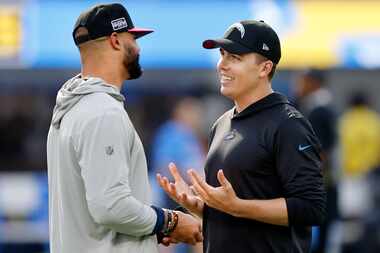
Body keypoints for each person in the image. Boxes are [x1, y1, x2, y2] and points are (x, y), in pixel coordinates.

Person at [157, 20, 326, 253]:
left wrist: (237, 206)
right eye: (222, 54)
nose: (222, 65)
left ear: (264, 68)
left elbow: (311, 207)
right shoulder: (221, 123)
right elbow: (236, 210)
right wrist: (203, 207)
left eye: (234, 58)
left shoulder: (288, 124)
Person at [46, 3, 202, 253]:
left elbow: (97, 211)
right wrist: (170, 222)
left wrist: (152, 228)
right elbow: (111, 206)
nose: (138, 48)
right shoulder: (102, 111)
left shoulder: (70, 109)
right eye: (134, 38)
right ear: (116, 41)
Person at [294, 69, 339, 253]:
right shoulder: (327, 106)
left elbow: (319, 150)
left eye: (302, 81)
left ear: (313, 83)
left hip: (319, 182)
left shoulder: (317, 110)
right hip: (327, 180)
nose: (298, 86)